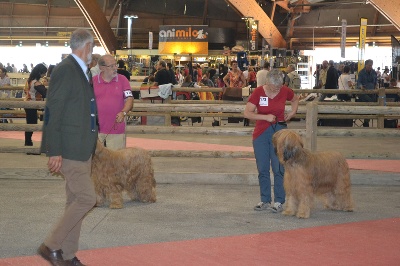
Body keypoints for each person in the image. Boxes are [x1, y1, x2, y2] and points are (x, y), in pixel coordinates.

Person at [38, 28, 98, 266]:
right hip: (70, 149)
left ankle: (67, 254)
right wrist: (54, 150)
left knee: (74, 200)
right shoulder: (66, 70)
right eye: (92, 48)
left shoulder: (82, 71)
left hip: (83, 147)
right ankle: (51, 245)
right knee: (87, 198)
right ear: (87, 47)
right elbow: (54, 111)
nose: (92, 52)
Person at [244, 69, 299, 212]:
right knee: (262, 168)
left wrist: (292, 112)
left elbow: (295, 99)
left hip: (279, 132)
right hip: (261, 133)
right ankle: (265, 200)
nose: (277, 90)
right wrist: (265, 117)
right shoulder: (258, 92)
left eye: (279, 87)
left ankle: (279, 201)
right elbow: (247, 112)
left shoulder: (285, 90)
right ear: (267, 83)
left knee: (278, 168)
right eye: (274, 87)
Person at [94, 54, 134, 150]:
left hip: (116, 130)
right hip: (96, 131)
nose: (115, 68)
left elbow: (129, 99)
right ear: (101, 68)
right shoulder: (93, 81)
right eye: (111, 66)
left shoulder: (123, 80)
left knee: (116, 162)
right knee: (98, 163)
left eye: (115, 65)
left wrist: (123, 112)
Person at [23, 64, 47, 147]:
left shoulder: (29, 80)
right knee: (31, 124)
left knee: (30, 123)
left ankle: (28, 142)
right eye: (44, 73)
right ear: (40, 73)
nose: (44, 75)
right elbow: (45, 93)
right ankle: (28, 143)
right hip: (31, 104)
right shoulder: (35, 82)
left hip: (28, 103)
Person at [357, 59, 378, 127]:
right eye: (369, 65)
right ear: (365, 65)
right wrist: (361, 86)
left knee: (370, 106)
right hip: (364, 93)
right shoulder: (361, 73)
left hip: (372, 93)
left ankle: (366, 122)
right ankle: (366, 122)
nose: (370, 67)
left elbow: (375, 82)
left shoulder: (374, 72)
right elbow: (358, 82)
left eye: (371, 65)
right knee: (370, 103)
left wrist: (376, 86)